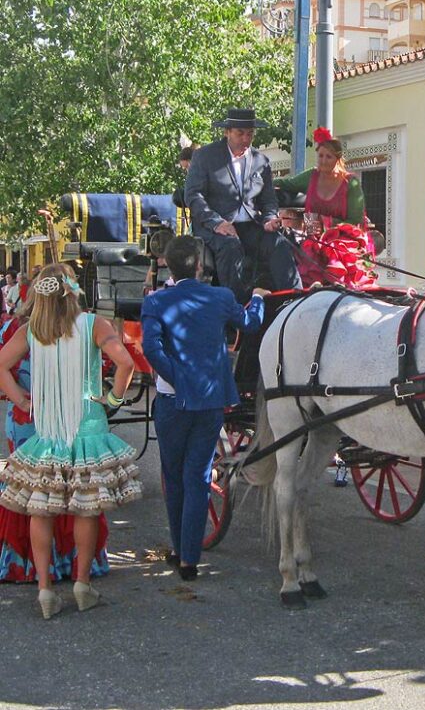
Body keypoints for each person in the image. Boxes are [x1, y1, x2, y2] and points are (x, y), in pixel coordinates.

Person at [0, 263, 140, 618]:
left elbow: (0, 365)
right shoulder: (94, 325)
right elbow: (125, 363)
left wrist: (22, 400)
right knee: (86, 507)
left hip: (47, 431)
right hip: (88, 428)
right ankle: (81, 584)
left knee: (41, 508)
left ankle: (45, 590)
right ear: (72, 289)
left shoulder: (33, 330)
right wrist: (112, 401)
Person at [141, 236, 266, 581]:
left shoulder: (156, 301)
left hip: (172, 400)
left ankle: (181, 549)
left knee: (174, 475)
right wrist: (257, 298)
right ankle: (189, 560)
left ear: (167, 263)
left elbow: (151, 349)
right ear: (200, 266)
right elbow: (250, 323)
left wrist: (178, 379)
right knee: (197, 476)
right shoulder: (220, 296)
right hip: (210, 399)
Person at [0, 302, 111, 583]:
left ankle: (34, 571)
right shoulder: (84, 327)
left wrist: (22, 400)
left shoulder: (18, 328)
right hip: (75, 417)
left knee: (34, 496)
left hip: (30, 415)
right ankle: (76, 569)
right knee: (77, 491)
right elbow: (108, 363)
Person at [184, 107, 301, 302]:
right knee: (231, 246)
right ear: (227, 132)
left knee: (280, 244)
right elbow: (193, 195)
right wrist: (217, 222)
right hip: (214, 227)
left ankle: (294, 300)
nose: (246, 139)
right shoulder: (205, 156)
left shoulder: (260, 161)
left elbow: (268, 199)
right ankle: (238, 305)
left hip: (251, 226)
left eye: (250, 134)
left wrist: (270, 218)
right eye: (240, 133)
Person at [275, 126, 375, 287]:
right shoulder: (311, 176)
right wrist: (261, 183)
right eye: (320, 155)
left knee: (335, 249)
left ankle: (339, 281)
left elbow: (355, 220)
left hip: (345, 237)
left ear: (338, 158)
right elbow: (286, 183)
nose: (323, 160)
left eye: (328, 157)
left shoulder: (351, 183)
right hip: (313, 237)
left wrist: (327, 224)